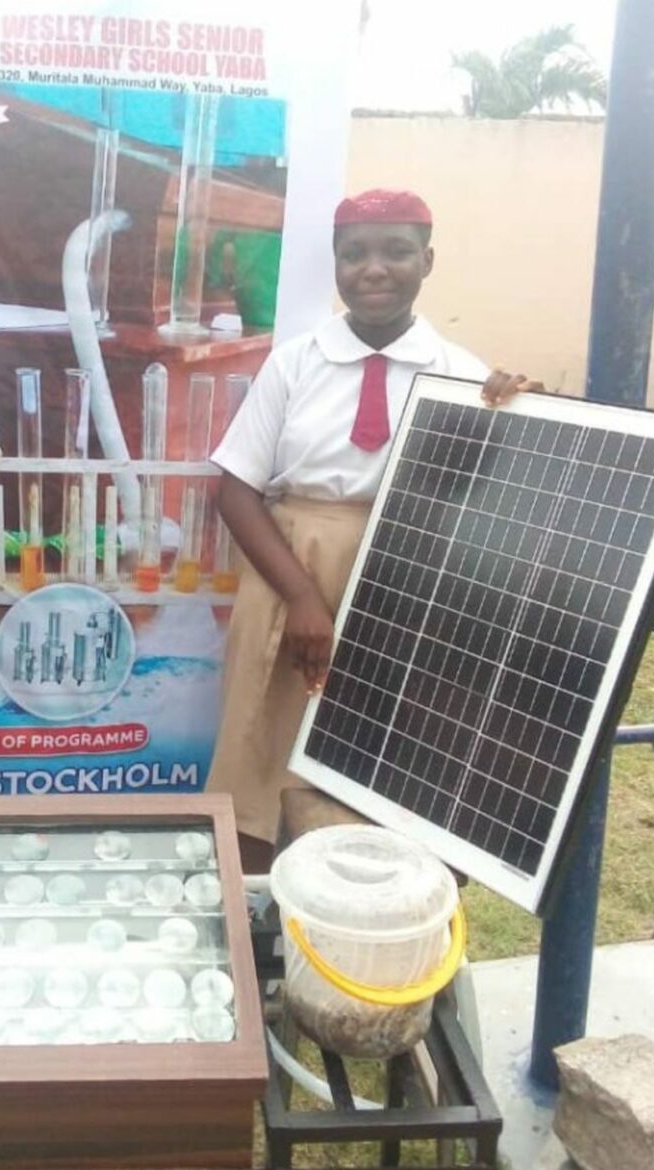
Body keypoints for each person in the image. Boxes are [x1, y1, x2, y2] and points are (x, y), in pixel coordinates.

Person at [206, 189, 542, 872]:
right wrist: (301, 599)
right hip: (290, 569)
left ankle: (367, 905)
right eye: (354, 253)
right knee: (259, 749)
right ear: (335, 264)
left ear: (428, 260)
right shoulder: (297, 362)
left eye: (396, 251)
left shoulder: (463, 375)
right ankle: (251, 914)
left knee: (388, 755)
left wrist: (515, 409)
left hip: (407, 574)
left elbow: (495, 493)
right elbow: (235, 490)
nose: (374, 269)